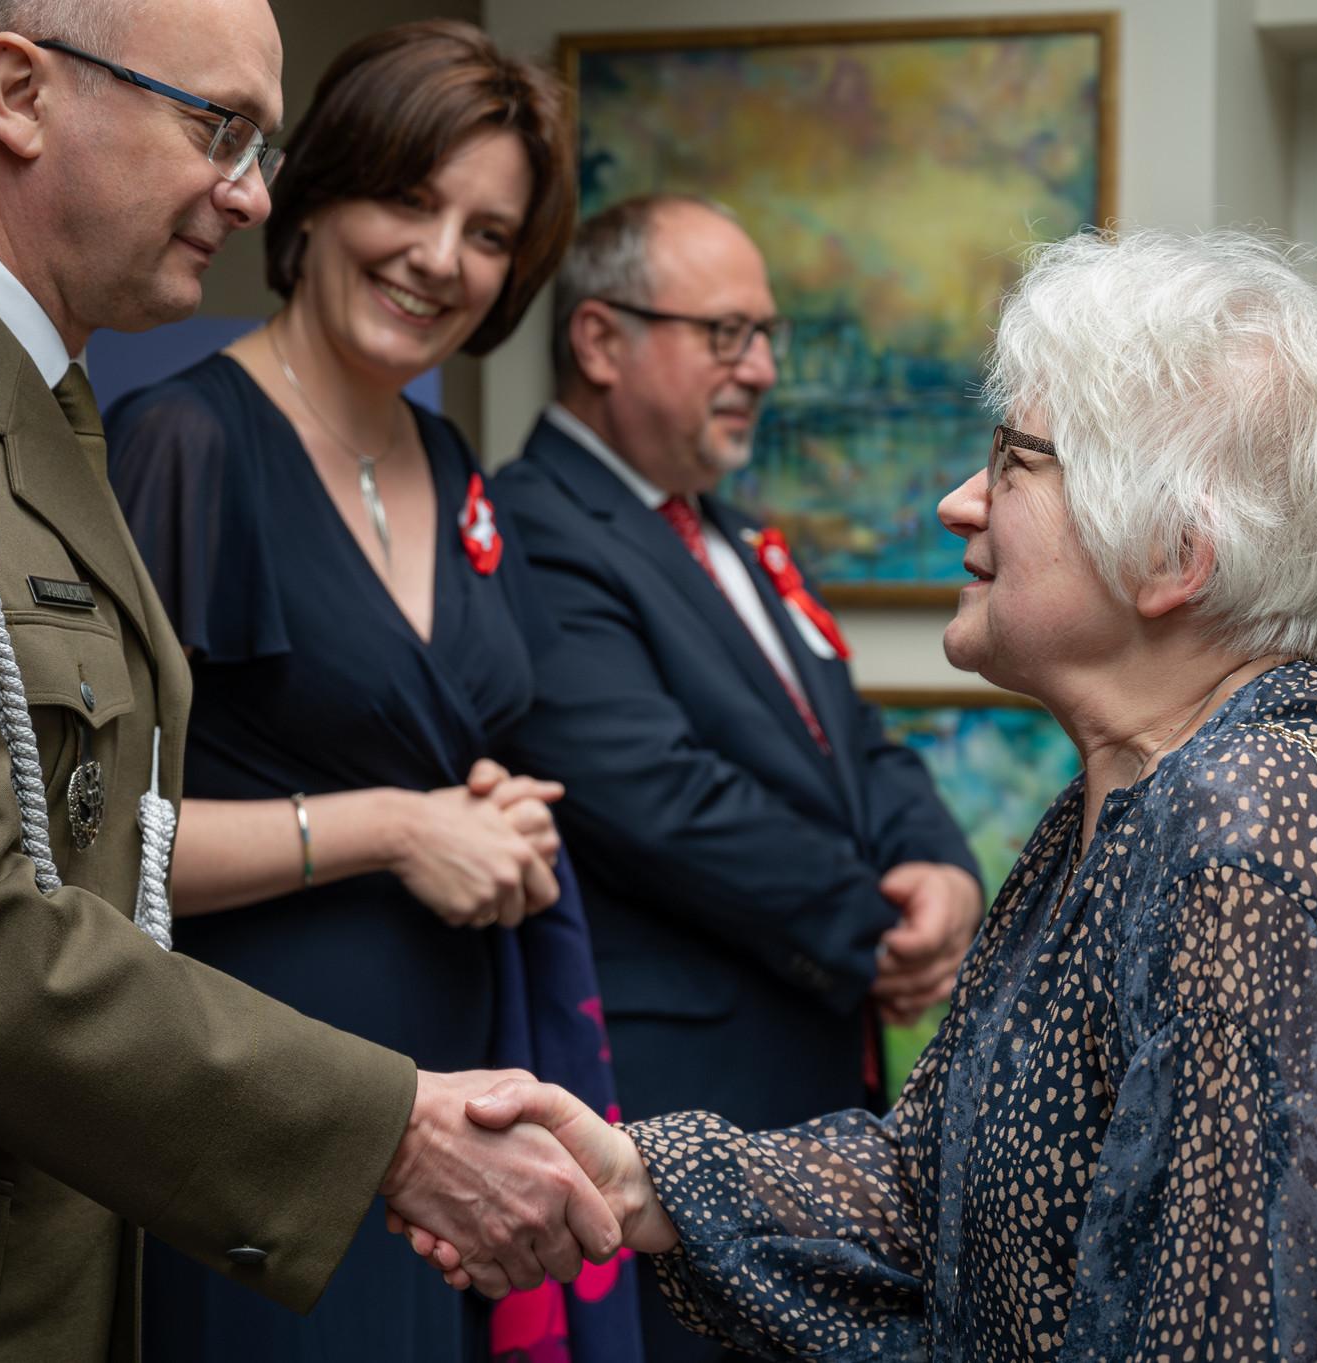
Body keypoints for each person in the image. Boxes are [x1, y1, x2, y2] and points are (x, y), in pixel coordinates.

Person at [0, 4, 620, 1359]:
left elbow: (99, 851)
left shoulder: (29, 406)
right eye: (216, 129)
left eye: (260, 146)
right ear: (19, 92)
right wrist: (390, 1130)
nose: (252, 196)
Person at [416, 229, 1317, 1361]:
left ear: (1171, 556)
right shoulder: (1132, 797)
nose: (959, 502)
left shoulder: (1248, 828)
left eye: (1013, 462)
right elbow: (936, 1195)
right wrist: (634, 1178)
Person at [102, 20, 635, 1363]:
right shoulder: (184, 445)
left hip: (455, 1100)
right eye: (408, 199)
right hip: (260, 1108)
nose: (440, 258)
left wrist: (491, 805)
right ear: (316, 193)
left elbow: (446, 729)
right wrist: (396, 827)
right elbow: (90, 844)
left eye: (488, 233)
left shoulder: (452, 462)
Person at [489, 194, 985, 1362]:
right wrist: (875, 927)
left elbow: (856, 743)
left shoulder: (732, 535)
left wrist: (943, 871)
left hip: (801, 1104)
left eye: (765, 335)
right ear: (599, 339)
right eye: (724, 334)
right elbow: (656, 794)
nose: (759, 368)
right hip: (669, 1105)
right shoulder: (530, 526)